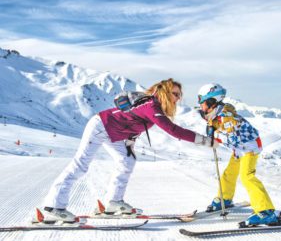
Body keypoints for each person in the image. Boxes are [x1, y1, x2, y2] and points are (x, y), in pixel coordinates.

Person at [41, 78, 213, 223]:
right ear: (165, 93)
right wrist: (204, 141)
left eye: (179, 94)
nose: (179, 98)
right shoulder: (152, 106)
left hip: (113, 132)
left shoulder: (152, 106)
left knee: (127, 160)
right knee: (81, 165)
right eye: (175, 94)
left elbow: (132, 122)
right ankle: (53, 207)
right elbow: (173, 131)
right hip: (101, 126)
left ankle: (113, 202)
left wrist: (130, 142)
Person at [197, 83, 279, 226]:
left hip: (249, 147)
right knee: (229, 173)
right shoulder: (216, 114)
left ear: (211, 101)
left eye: (202, 102)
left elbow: (230, 132)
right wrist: (212, 127)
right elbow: (220, 127)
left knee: (247, 177)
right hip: (239, 149)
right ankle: (225, 199)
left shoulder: (226, 117)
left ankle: (266, 211)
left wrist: (214, 135)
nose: (200, 106)